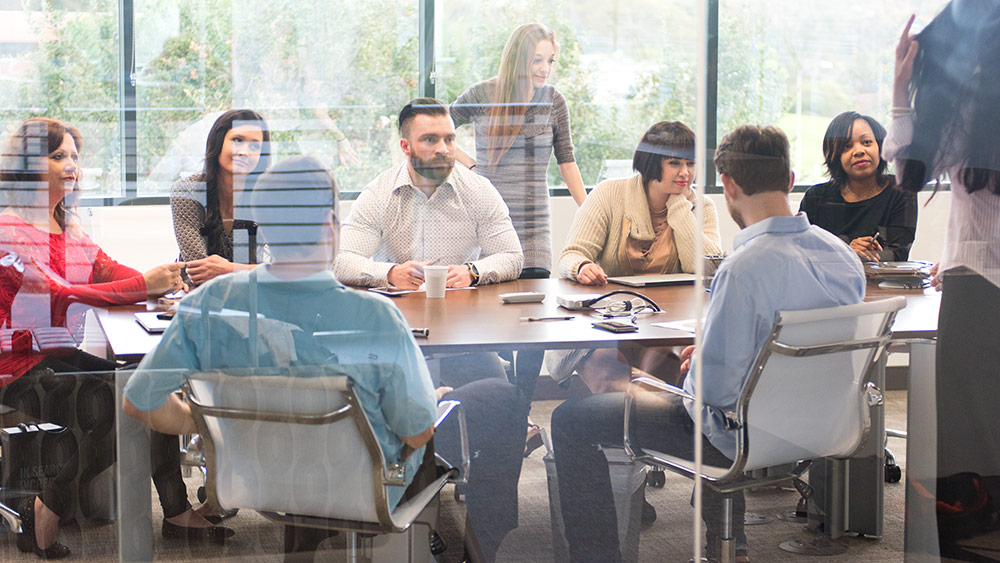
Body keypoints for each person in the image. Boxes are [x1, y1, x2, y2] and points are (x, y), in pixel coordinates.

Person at [127, 156, 526, 562]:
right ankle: (482, 551)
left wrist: (210, 422)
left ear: (264, 230)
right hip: (363, 484)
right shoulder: (376, 316)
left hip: (258, 479)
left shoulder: (206, 305)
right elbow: (416, 434)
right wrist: (432, 403)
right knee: (501, 396)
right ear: (331, 227)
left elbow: (139, 400)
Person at [550, 125, 865, 563]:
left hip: (738, 435)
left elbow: (712, 397)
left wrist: (696, 367)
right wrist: (717, 350)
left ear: (729, 185)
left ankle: (599, 556)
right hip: (822, 426)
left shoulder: (741, 270)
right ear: (790, 180)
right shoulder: (843, 256)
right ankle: (729, 544)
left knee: (570, 421)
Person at [0, 117, 221, 559]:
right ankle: (50, 507)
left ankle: (175, 510)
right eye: (58, 155)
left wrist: (165, 278)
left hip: (58, 355)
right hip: (18, 365)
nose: (71, 165)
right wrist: (144, 286)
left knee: (145, 380)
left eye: (75, 157)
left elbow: (109, 273)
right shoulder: (9, 227)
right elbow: (59, 295)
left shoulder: (70, 227)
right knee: (131, 403)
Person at [889, 4, 1000, 553]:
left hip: (976, 281)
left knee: (971, 435)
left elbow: (907, 167)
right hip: (971, 272)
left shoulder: (970, 111)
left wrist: (901, 85)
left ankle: (975, 543)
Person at [545, 121, 722, 393]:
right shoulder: (609, 194)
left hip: (662, 325)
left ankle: (646, 423)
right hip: (604, 322)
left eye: (691, 163)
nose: (685, 172)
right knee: (611, 376)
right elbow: (571, 255)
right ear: (652, 163)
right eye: (674, 163)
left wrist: (680, 211)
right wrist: (582, 266)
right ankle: (636, 422)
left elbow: (707, 270)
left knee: (673, 373)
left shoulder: (702, 206)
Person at [451, 22, 586, 278]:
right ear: (518, 59)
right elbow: (440, 130)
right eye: (537, 60)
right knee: (490, 307)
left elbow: (567, 162)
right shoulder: (483, 94)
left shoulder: (553, 101)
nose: (545, 69)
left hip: (534, 229)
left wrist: (589, 211)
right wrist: (470, 165)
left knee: (533, 305)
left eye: (550, 61)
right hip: (489, 224)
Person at [799, 111, 917, 262]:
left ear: (881, 146)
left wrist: (846, 254)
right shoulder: (815, 198)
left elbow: (898, 254)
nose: (859, 151)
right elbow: (801, 253)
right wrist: (847, 250)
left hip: (881, 284)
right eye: (847, 146)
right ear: (834, 156)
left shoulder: (901, 190)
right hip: (827, 282)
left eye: (866, 142)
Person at [171, 109, 271, 286]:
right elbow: (199, 271)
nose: (244, 152)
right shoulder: (188, 191)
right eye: (237, 140)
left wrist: (228, 268)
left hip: (252, 294)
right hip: (196, 294)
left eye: (254, 146)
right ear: (218, 142)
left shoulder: (268, 196)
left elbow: (288, 270)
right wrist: (253, 271)